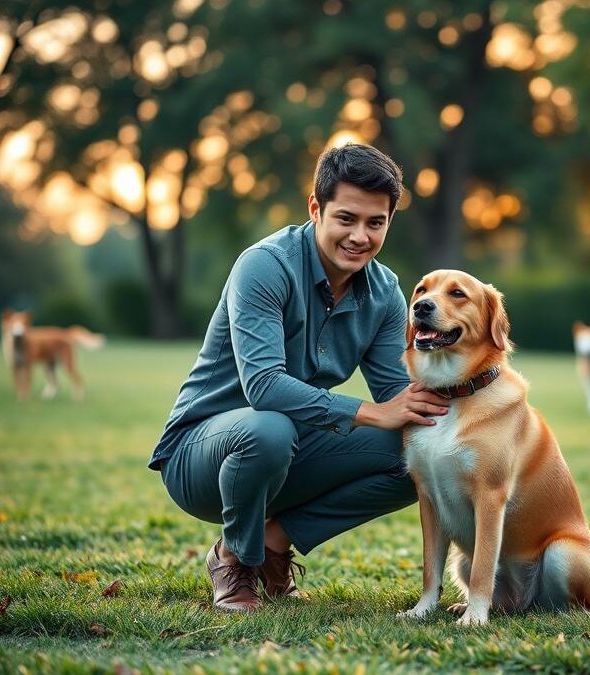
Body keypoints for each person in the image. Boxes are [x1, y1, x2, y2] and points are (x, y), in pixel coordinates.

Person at [147, 143, 450, 612]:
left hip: (292, 450)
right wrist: (371, 412)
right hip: (201, 456)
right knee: (268, 426)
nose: (359, 237)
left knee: (421, 452)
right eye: (346, 218)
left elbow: (399, 397)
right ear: (315, 208)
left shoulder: (387, 292)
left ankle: (273, 542)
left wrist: (481, 405)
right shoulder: (264, 265)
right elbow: (264, 387)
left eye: (376, 223)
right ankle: (234, 560)